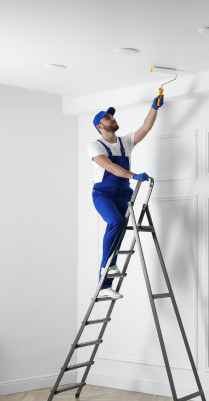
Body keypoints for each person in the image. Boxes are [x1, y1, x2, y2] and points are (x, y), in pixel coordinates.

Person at [87, 95, 164, 299]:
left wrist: (153, 108)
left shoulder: (125, 142)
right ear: (99, 127)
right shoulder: (95, 146)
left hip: (124, 194)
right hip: (103, 194)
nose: (112, 119)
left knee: (119, 233)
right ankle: (106, 266)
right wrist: (133, 175)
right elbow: (111, 167)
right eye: (107, 118)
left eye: (112, 116)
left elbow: (145, 128)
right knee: (115, 221)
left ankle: (105, 287)